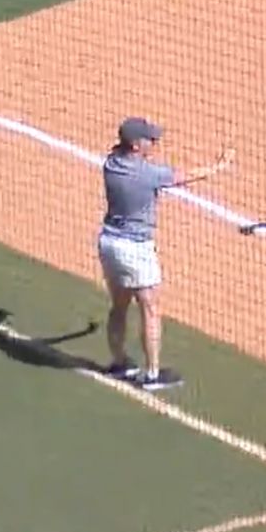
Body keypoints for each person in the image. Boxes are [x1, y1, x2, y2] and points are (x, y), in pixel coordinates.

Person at [97, 116, 233, 391]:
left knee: (120, 306)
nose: (155, 142)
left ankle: (118, 361)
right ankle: (153, 375)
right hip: (135, 249)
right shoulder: (147, 174)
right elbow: (185, 176)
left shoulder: (111, 165)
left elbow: (119, 151)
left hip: (109, 243)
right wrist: (219, 166)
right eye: (150, 139)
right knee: (150, 308)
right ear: (135, 145)